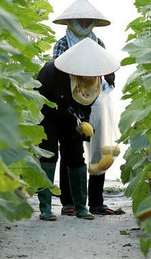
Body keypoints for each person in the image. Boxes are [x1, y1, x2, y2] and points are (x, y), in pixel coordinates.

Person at [35, 37, 120, 221]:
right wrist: (72, 116)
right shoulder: (54, 72)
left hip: (70, 117)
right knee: (49, 154)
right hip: (47, 114)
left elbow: (86, 102)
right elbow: (45, 102)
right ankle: (45, 208)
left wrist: (85, 123)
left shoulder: (91, 79)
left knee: (76, 156)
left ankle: (81, 207)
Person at [50, 0, 121, 216]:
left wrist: (109, 76)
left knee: (99, 148)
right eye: (79, 21)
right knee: (71, 146)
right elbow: (59, 72)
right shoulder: (62, 44)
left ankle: (97, 202)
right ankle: (68, 202)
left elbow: (106, 74)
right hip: (70, 99)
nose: (83, 24)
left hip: (96, 99)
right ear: (71, 22)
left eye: (87, 21)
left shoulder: (99, 44)